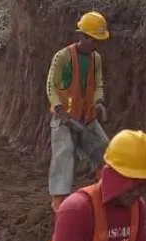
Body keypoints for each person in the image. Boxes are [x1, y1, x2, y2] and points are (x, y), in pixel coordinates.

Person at [46, 11, 111, 211]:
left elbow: (98, 82)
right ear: (82, 36)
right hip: (64, 118)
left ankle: (107, 190)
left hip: (87, 117)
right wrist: (58, 108)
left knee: (105, 150)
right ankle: (60, 202)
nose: (95, 44)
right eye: (93, 39)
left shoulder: (95, 59)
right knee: (64, 155)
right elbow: (51, 85)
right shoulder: (63, 56)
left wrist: (99, 101)